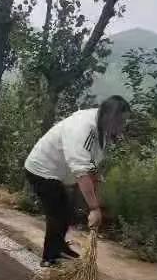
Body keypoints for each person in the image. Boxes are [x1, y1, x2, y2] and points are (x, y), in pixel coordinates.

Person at [24, 95, 131, 267]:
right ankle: (49, 257)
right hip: (42, 169)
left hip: (60, 172)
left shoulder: (101, 127)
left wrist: (96, 183)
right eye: (120, 122)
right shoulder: (82, 128)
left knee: (68, 213)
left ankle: (59, 247)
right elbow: (81, 171)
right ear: (109, 117)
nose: (122, 126)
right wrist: (94, 208)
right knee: (57, 213)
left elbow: (90, 164)